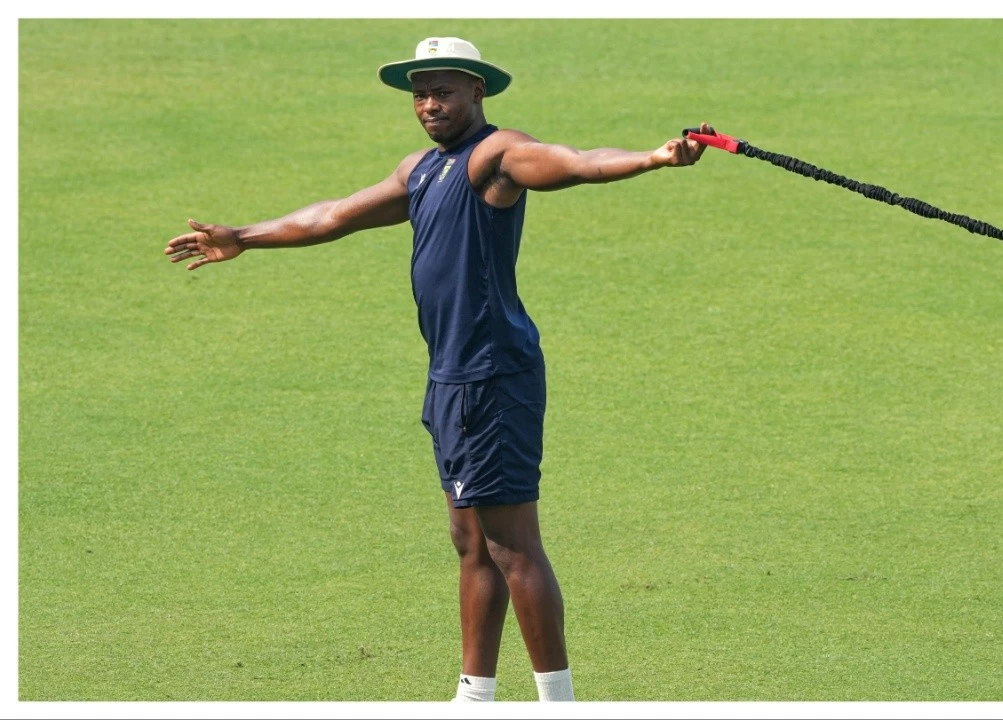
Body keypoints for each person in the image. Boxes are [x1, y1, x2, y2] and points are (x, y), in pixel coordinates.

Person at [164, 36, 712, 702]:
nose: (429, 104)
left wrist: (651, 158)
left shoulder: (497, 155)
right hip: (451, 378)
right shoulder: (422, 171)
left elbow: (574, 163)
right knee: (470, 542)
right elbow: (333, 216)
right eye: (420, 93)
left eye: (444, 91)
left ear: (477, 92)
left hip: (492, 376)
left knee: (512, 545)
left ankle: (559, 704)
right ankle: (474, 697)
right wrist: (243, 237)